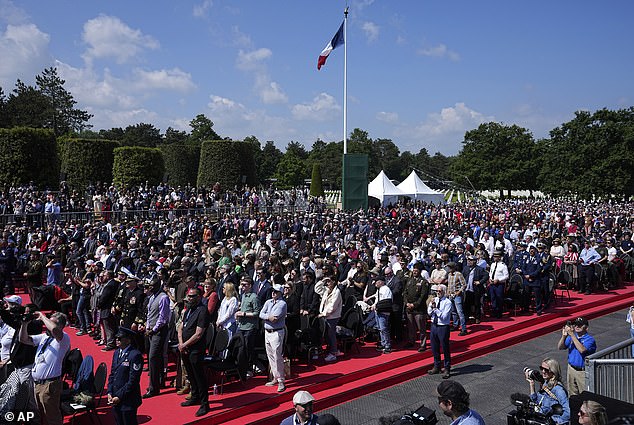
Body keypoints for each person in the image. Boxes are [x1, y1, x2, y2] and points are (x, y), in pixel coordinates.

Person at [19, 311, 71, 425]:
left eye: (51, 323)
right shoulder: (45, 337)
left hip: (50, 384)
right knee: (42, 415)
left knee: (52, 417)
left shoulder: (63, 338)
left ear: (61, 326)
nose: (46, 325)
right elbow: (23, 339)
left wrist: (43, 317)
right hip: (38, 383)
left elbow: (55, 330)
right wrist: (24, 324)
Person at [177, 287, 210, 417]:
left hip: (196, 349)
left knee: (198, 376)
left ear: (199, 297)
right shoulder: (188, 310)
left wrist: (184, 344)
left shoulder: (202, 311)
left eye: (192, 296)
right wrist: (181, 344)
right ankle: (195, 396)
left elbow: (198, 334)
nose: (189, 298)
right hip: (185, 348)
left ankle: (204, 403)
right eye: (188, 296)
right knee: (190, 374)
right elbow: (181, 327)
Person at [107, 327, 143, 425]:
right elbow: (112, 374)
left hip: (128, 400)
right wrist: (110, 392)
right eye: (116, 338)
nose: (117, 340)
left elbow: (133, 380)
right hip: (115, 399)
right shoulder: (117, 353)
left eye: (120, 338)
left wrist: (119, 396)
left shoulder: (135, 355)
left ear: (128, 340)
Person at [143, 275, 171, 398]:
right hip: (151, 330)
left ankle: (153, 388)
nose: (151, 288)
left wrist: (153, 329)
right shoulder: (151, 297)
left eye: (153, 286)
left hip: (159, 332)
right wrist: (148, 326)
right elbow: (150, 314)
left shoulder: (163, 297)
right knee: (156, 358)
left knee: (153, 358)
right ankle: (159, 382)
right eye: (150, 286)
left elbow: (163, 318)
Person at [557, 316, 597, 396]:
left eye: (580, 325)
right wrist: (564, 336)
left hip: (582, 372)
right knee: (572, 394)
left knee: (585, 395)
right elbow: (560, 347)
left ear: (586, 328)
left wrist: (572, 335)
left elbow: (582, 350)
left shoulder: (589, 339)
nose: (577, 327)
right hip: (571, 369)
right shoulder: (572, 336)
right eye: (575, 325)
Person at [525, 357, 571, 424]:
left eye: (546, 370)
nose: (543, 371)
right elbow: (536, 402)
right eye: (542, 368)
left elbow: (568, 412)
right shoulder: (546, 383)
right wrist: (532, 384)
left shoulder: (559, 390)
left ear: (553, 371)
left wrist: (554, 421)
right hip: (540, 418)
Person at [259, 283, 287, 392]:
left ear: (280, 293)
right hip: (267, 331)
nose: (273, 293)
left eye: (275, 292)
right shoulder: (268, 302)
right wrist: (268, 317)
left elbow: (274, 319)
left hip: (277, 332)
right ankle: (275, 377)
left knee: (277, 356)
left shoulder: (282, 304)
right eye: (272, 291)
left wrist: (267, 316)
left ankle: (281, 380)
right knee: (270, 355)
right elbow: (261, 314)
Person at [428, 284, 453, 378]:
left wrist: (435, 309)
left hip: (443, 327)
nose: (438, 293)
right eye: (437, 291)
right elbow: (429, 312)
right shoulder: (435, 300)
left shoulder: (447, 302)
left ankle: (447, 368)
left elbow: (444, 317)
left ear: (444, 292)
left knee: (445, 348)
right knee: (434, 347)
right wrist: (432, 307)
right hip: (434, 325)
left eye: (440, 291)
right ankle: (437, 366)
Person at [318, 277, 342, 362]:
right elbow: (317, 289)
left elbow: (332, 307)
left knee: (331, 334)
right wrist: (322, 280)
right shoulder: (326, 290)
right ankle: (333, 349)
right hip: (325, 315)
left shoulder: (337, 292)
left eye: (329, 281)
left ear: (334, 282)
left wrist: (324, 314)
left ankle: (333, 352)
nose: (327, 283)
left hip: (333, 317)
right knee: (327, 334)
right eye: (326, 282)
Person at [488, 250, 509, 318]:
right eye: (494, 257)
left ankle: (499, 313)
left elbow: (506, 276)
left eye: (496, 257)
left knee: (499, 298)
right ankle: (494, 311)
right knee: (493, 298)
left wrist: (499, 280)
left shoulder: (503, 266)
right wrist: (490, 278)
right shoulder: (493, 264)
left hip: (499, 284)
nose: (495, 258)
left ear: (499, 257)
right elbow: (491, 273)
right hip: (492, 283)